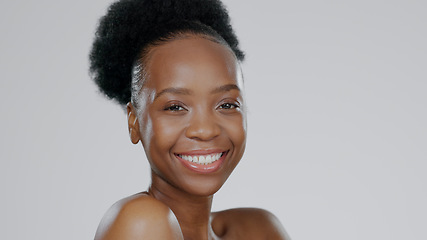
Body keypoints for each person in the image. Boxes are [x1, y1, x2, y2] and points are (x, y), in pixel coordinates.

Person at [89, 0, 290, 239]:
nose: (205, 130)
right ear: (134, 122)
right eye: (175, 107)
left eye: (226, 104)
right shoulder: (141, 223)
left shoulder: (258, 229)